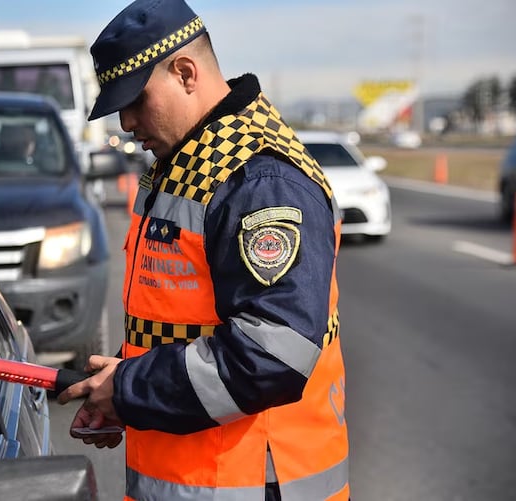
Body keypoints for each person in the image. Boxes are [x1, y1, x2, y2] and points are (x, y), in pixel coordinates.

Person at [57, 1, 349, 499]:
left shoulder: (258, 179)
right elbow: (185, 322)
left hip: (250, 483)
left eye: (136, 100)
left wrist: (128, 390)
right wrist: (123, 384)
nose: (126, 122)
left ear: (186, 73)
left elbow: (270, 356)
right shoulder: (188, 161)